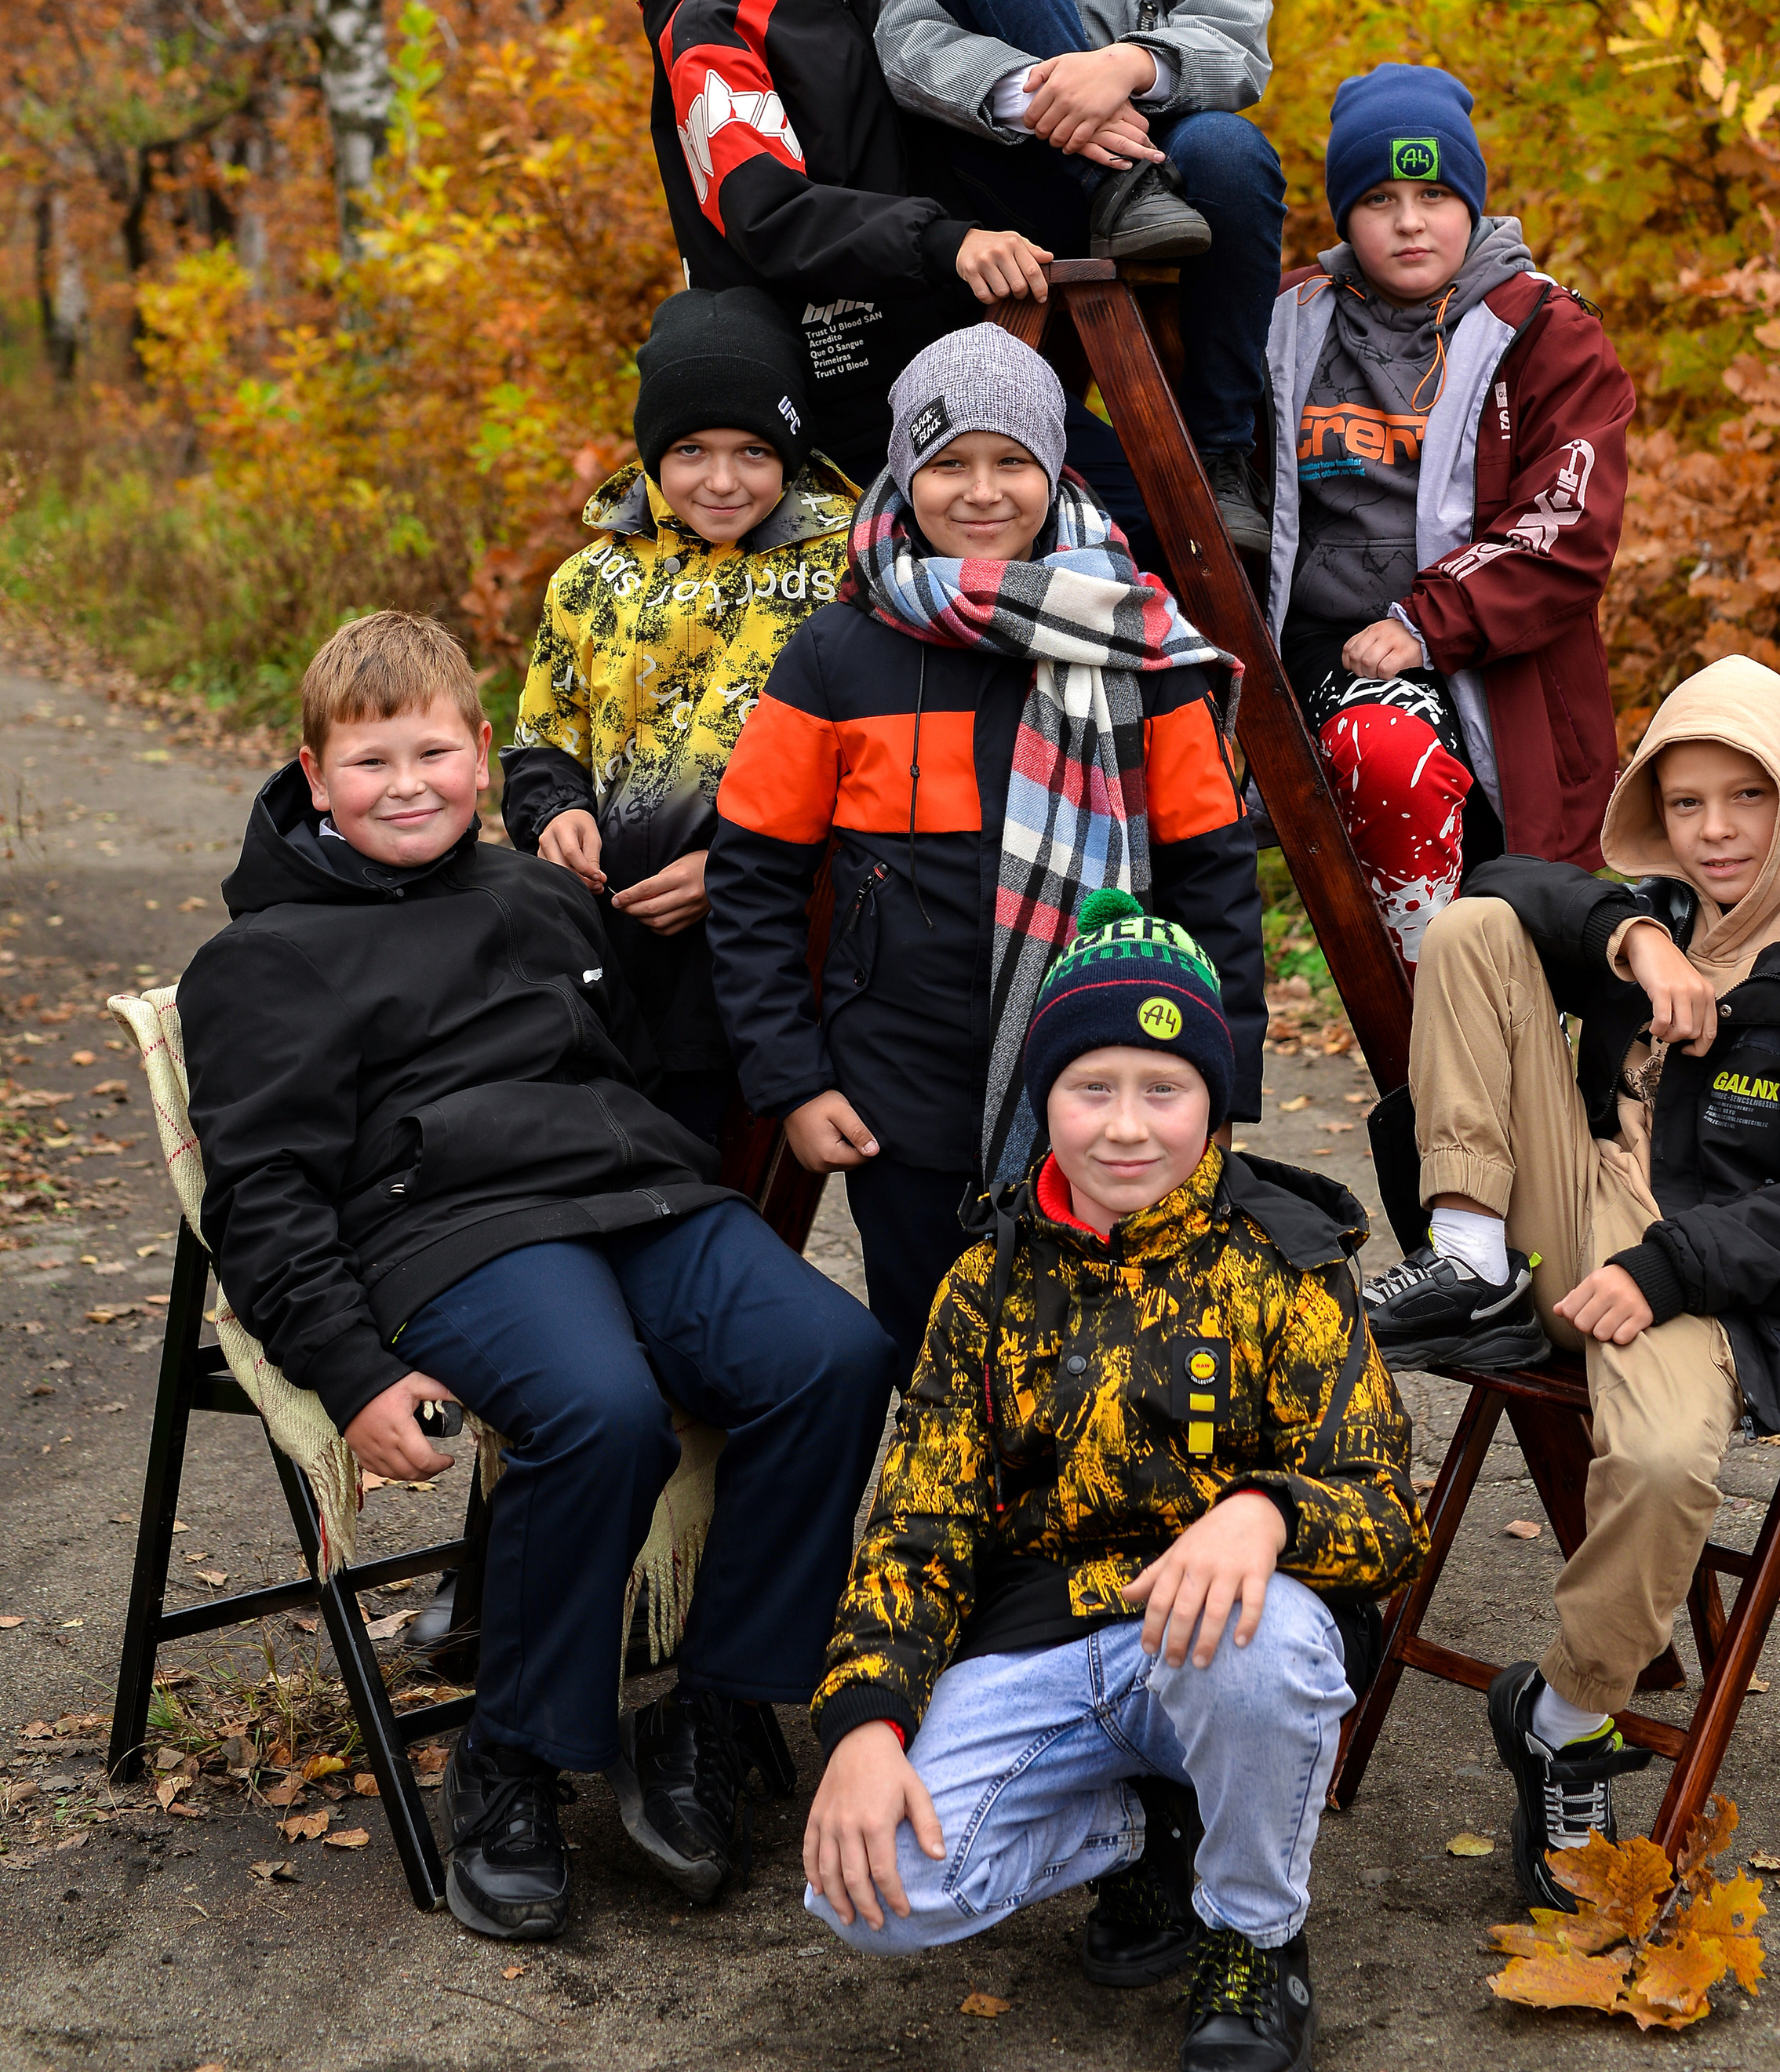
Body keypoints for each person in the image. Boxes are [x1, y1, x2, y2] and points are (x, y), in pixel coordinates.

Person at [177, 610, 896, 1944]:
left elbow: (613, 1061)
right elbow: (263, 1196)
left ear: (481, 748)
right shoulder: (259, 959)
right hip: (445, 1230)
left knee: (835, 1356)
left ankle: (714, 1704)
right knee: (602, 1412)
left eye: (434, 750)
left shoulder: (542, 894)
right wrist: (356, 1369)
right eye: (372, 758)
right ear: (311, 769)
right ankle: (511, 1755)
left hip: (634, 1191)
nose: (408, 782)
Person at [799, 890, 1427, 2072]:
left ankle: (1252, 1931)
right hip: (1041, 1637)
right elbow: (914, 1527)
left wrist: (1266, 1510)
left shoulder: (1285, 1267)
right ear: (1043, 1098)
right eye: (1093, 1087)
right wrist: (866, 1719)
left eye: (1166, 1088)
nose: (1127, 1128)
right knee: (866, 1892)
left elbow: (1393, 1513)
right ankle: (1151, 1830)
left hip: (1217, 1630)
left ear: (1215, 1102)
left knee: (1268, 1654)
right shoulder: (982, 1281)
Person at [1363, 655, 1780, 1906]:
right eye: (1686, 804)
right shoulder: (1670, 908)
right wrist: (1632, 935)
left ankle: (1568, 1716)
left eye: (1746, 798)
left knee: (1674, 1465)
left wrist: (1667, 1264)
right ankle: (1466, 1254)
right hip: (1563, 1209)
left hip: (1708, 1276)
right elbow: (1502, 883)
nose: (1717, 832)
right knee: (1475, 924)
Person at [704, 324, 1266, 1378]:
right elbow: (753, 877)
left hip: (1114, 1089)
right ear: (904, 472)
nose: (981, 491)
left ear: (1054, 470)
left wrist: (1219, 1089)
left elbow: (1213, 883)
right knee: (943, 1366)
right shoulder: (838, 651)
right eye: (949, 461)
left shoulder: (1140, 646)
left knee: (1104, 1372)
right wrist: (791, 1080)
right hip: (897, 1095)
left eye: (1011, 461)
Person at [878, 0, 1285, 559]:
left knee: (1233, 153)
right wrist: (1032, 92)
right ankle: (1113, 190)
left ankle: (1223, 455)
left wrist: (1126, 70)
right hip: (1017, 179)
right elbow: (906, 42)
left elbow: (1235, 48)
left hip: (1171, 190)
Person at [1265, 60, 1633, 975]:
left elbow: (1568, 525)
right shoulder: (1288, 319)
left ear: (1471, 200)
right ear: (1343, 214)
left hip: (1498, 659)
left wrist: (1425, 625)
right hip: (1329, 649)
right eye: (1378, 196)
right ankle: (1430, 1024)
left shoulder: (1543, 330)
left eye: (1433, 193)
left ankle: (1517, 1065)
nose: (1408, 221)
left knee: (1540, 931)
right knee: (1384, 749)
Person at [635, 0, 1053, 488]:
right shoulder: (714, 17)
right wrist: (944, 241)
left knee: (1122, 506)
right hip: (822, 384)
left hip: (945, 347)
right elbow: (766, 211)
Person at [502, 288, 855, 1142]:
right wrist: (558, 814)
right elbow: (542, 738)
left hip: (772, 943)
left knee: (730, 1170)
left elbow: (866, 762)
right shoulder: (590, 577)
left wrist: (732, 871)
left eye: (753, 451)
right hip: (609, 948)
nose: (722, 480)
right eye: (691, 449)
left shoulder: (848, 572)